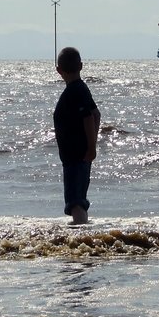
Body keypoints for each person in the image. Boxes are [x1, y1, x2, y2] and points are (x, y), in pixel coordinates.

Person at [53, 47, 100, 225]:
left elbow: (88, 117)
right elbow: (96, 114)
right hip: (79, 154)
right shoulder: (81, 89)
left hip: (75, 155)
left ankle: (82, 240)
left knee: (75, 203)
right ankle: (83, 235)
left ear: (59, 70)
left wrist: (91, 147)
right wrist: (91, 144)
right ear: (81, 66)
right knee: (78, 199)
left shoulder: (74, 91)